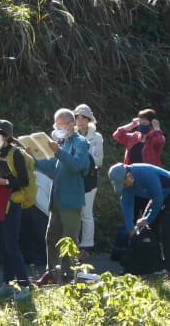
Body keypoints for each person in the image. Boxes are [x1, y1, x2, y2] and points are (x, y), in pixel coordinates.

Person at [36, 108, 90, 286]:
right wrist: (32, 158)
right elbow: (52, 166)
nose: (58, 128)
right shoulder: (60, 143)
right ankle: (52, 273)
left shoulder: (80, 142)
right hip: (57, 198)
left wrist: (58, 151)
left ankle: (72, 277)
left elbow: (78, 165)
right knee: (51, 237)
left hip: (71, 199)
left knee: (70, 241)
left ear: (71, 125)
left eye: (61, 124)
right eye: (56, 125)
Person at [0, 119, 33, 301]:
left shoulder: (16, 153)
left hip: (12, 203)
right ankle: (7, 284)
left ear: (6, 136)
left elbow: (24, 181)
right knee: (3, 246)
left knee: (12, 246)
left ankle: (26, 286)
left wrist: (6, 182)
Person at [107, 162, 170, 273]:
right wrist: (130, 228)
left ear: (128, 175)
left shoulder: (145, 173)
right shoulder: (128, 184)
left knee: (167, 228)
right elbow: (127, 204)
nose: (124, 187)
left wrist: (147, 219)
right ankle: (153, 262)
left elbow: (158, 198)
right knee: (148, 228)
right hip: (160, 195)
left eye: (123, 184)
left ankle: (168, 266)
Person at [73, 103, 104, 256]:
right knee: (73, 212)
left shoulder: (96, 137)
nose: (80, 120)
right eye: (77, 117)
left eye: (83, 117)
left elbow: (100, 161)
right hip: (73, 177)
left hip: (90, 178)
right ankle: (73, 245)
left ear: (89, 119)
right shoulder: (70, 134)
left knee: (86, 213)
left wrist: (86, 156)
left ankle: (87, 246)